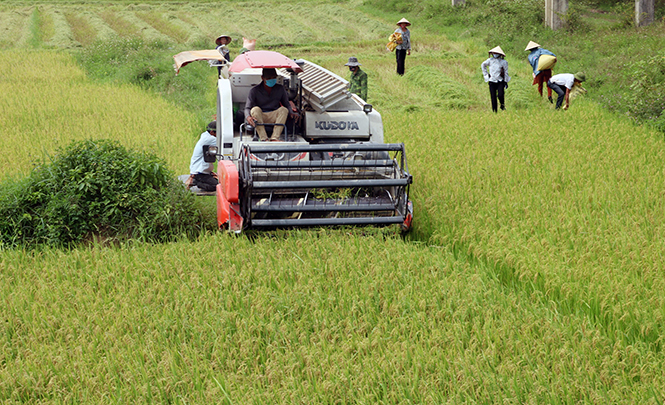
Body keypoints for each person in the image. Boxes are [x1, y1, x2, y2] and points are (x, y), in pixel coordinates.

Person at [245, 68, 298, 141]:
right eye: (269, 78)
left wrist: (292, 112)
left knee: (284, 110)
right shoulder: (254, 91)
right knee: (255, 109)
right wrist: (248, 117)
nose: (271, 80)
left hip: (274, 115)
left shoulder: (280, 89)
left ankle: (275, 138)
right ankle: (264, 138)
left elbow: (286, 104)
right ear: (262, 78)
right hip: (260, 116)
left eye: (274, 78)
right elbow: (247, 108)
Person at [189, 121, 218, 192]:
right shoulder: (211, 139)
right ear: (212, 132)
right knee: (216, 186)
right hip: (200, 172)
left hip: (202, 170)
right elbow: (223, 143)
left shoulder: (205, 136)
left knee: (216, 181)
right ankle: (196, 182)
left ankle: (199, 179)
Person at [481, 46, 510, 113]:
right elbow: (483, 65)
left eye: (496, 53)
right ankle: (494, 111)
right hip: (492, 81)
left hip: (500, 81)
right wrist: (486, 75)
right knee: (493, 97)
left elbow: (506, 72)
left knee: (500, 94)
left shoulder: (503, 62)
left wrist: (506, 81)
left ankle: (502, 105)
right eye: (494, 53)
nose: (495, 54)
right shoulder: (490, 61)